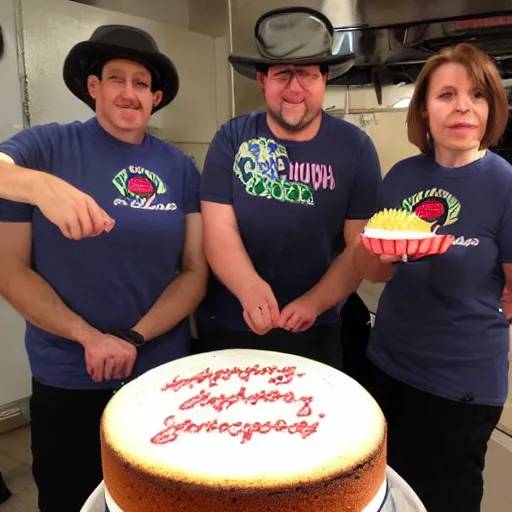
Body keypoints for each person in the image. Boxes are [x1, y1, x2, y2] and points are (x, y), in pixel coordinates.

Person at [0, 25, 208, 512]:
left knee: (159, 496)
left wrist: (133, 338)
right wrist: (37, 186)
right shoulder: (46, 147)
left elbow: (194, 270)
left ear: (155, 98)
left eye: (141, 83)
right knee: (70, 496)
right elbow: (10, 271)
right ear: (93, 87)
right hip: (66, 373)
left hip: (159, 369)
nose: (129, 93)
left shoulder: (179, 167)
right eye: (116, 78)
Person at [354, 43, 512, 512]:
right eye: (446, 94)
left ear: (491, 109)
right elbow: (373, 270)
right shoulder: (402, 177)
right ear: (425, 108)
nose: (463, 106)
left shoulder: (504, 183)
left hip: (458, 388)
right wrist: (382, 250)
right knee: (385, 496)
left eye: (477, 95)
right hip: (387, 366)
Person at [194, 6, 382, 370]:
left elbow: (358, 247)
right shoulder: (231, 138)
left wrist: (313, 303)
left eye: (308, 74)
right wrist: (248, 287)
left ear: (324, 78)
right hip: (229, 321)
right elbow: (217, 228)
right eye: (283, 74)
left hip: (316, 325)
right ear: (262, 80)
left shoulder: (356, 148)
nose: (295, 88)